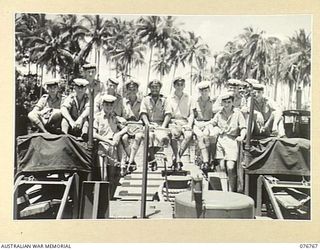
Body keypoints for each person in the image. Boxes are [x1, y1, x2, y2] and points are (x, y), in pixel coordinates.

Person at [129, 79, 172, 171]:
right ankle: (153, 160)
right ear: (150, 88)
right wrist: (148, 124)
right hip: (149, 124)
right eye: (152, 87)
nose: (154, 89)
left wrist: (163, 127)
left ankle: (150, 157)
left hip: (161, 125)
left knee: (163, 138)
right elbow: (143, 113)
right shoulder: (145, 100)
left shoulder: (165, 100)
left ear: (160, 88)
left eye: (156, 87)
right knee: (150, 136)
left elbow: (168, 114)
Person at [209, 92, 247, 192]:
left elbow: (243, 127)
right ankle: (225, 191)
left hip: (232, 140)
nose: (227, 105)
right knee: (221, 167)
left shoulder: (237, 113)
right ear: (222, 103)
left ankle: (232, 191)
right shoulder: (219, 113)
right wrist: (212, 130)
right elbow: (212, 123)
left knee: (230, 167)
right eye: (225, 102)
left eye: (229, 102)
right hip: (221, 140)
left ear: (232, 102)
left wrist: (242, 136)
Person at [93, 94, 128, 180]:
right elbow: (94, 134)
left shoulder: (114, 117)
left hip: (113, 147)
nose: (109, 107)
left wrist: (118, 134)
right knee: (103, 175)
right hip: (102, 145)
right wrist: (108, 141)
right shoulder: (97, 118)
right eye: (106, 105)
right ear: (102, 105)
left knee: (112, 175)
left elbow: (126, 128)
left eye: (111, 105)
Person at [191, 81, 218, 171]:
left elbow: (214, 116)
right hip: (197, 123)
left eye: (206, 90)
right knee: (200, 136)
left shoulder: (213, 102)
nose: (204, 93)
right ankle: (205, 161)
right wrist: (195, 124)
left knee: (209, 136)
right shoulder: (195, 101)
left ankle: (211, 160)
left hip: (208, 123)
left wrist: (209, 124)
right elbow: (192, 115)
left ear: (209, 90)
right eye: (202, 91)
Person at [168, 77, 193, 170]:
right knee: (173, 135)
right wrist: (173, 123)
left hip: (185, 122)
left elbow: (191, 114)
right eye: (177, 85)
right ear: (174, 86)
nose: (179, 87)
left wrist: (189, 125)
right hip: (174, 121)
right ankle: (178, 160)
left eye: (181, 85)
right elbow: (168, 113)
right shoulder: (169, 98)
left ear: (184, 86)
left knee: (188, 135)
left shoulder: (189, 97)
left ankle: (176, 158)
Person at [120, 79, 143, 175]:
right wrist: (121, 119)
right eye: (130, 89)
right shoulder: (123, 102)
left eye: (134, 89)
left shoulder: (142, 102)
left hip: (138, 125)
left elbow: (144, 116)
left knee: (138, 137)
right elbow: (118, 115)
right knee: (124, 138)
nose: (132, 91)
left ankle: (130, 162)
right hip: (126, 125)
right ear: (127, 90)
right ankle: (132, 161)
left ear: (137, 90)